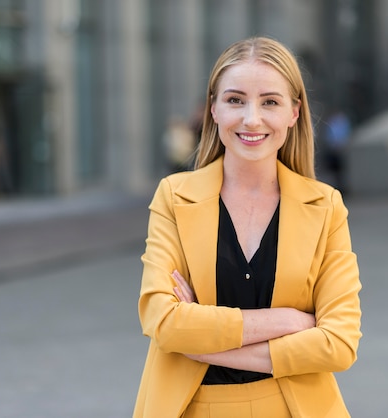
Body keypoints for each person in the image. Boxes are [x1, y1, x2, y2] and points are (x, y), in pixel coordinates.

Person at [133, 37, 362, 418]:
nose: (251, 118)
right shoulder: (174, 197)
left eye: (269, 101)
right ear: (214, 109)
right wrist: (286, 322)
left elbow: (339, 343)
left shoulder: (325, 207)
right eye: (235, 100)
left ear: (293, 112)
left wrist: (203, 343)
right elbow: (163, 321)